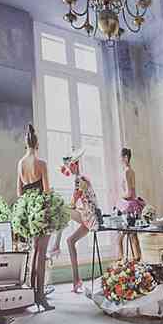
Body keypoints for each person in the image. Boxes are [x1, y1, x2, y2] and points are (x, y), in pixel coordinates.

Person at [18, 125, 55, 312]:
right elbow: (47, 190)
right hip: (41, 208)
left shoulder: (21, 163)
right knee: (42, 253)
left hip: (28, 210)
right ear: (37, 143)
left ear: (26, 143)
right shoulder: (42, 164)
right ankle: (40, 296)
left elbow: (19, 192)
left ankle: (33, 294)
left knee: (34, 251)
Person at [62, 153, 101, 296]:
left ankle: (54, 246)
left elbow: (73, 202)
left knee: (62, 209)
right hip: (89, 216)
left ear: (75, 165)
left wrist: (71, 207)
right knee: (70, 241)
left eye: (70, 166)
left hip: (90, 217)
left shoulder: (80, 179)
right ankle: (76, 280)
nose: (69, 169)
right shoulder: (81, 179)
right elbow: (77, 201)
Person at [119, 145, 144, 265]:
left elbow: (129, 193)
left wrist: (120, 196)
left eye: (121, 157)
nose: (120, 159)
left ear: (125, 157)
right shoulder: (131, 171)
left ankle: (122, 264)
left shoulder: (126, 171)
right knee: (133, 237)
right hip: (134, 205)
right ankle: (137, 263)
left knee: (122, 238)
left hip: (129, 206)